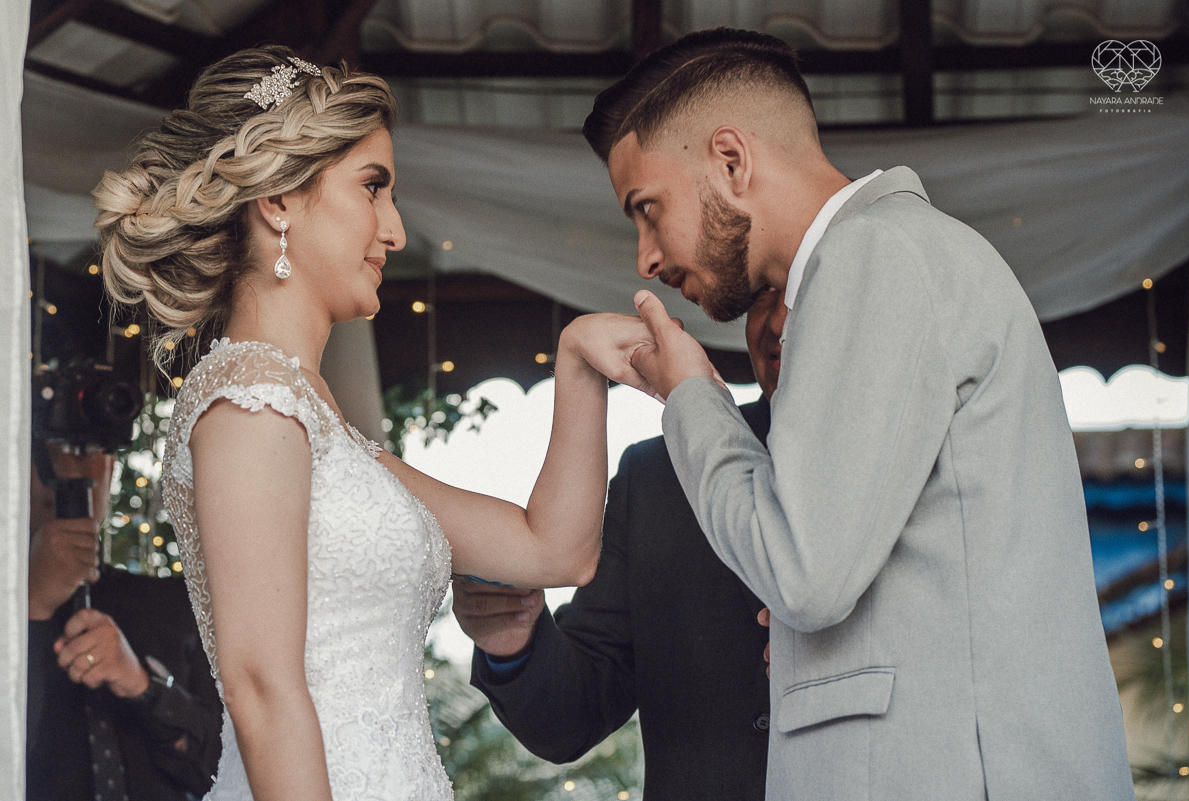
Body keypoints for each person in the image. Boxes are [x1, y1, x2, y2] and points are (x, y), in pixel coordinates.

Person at [582, 28, 1134, 801]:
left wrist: (690, 395)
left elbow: (805, 575)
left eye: (648, 209)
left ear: (732, 163)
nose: (643, 255)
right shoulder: (894, 257)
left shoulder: (873, 254)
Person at [93, 45, 653, 801]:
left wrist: (579, 365)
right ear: (280, 199)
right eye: (373, 188)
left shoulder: (318, 421)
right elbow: (262, 691)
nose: (393, 228)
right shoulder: (250, 401)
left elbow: (553, 548)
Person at [454, 285, 785, 800]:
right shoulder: (658, 475)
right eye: (766, 294)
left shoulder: (943, 465)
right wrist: (513, 646)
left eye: (811, 290)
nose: (779, 322)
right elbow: (568, 718)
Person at [26, 441, 222, 801]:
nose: (70, 472)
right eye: (49, 451)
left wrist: (144, 686)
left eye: (87, 451)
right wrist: (30, 608)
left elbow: (225, 769)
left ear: (111, 469)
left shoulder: (178, 603)